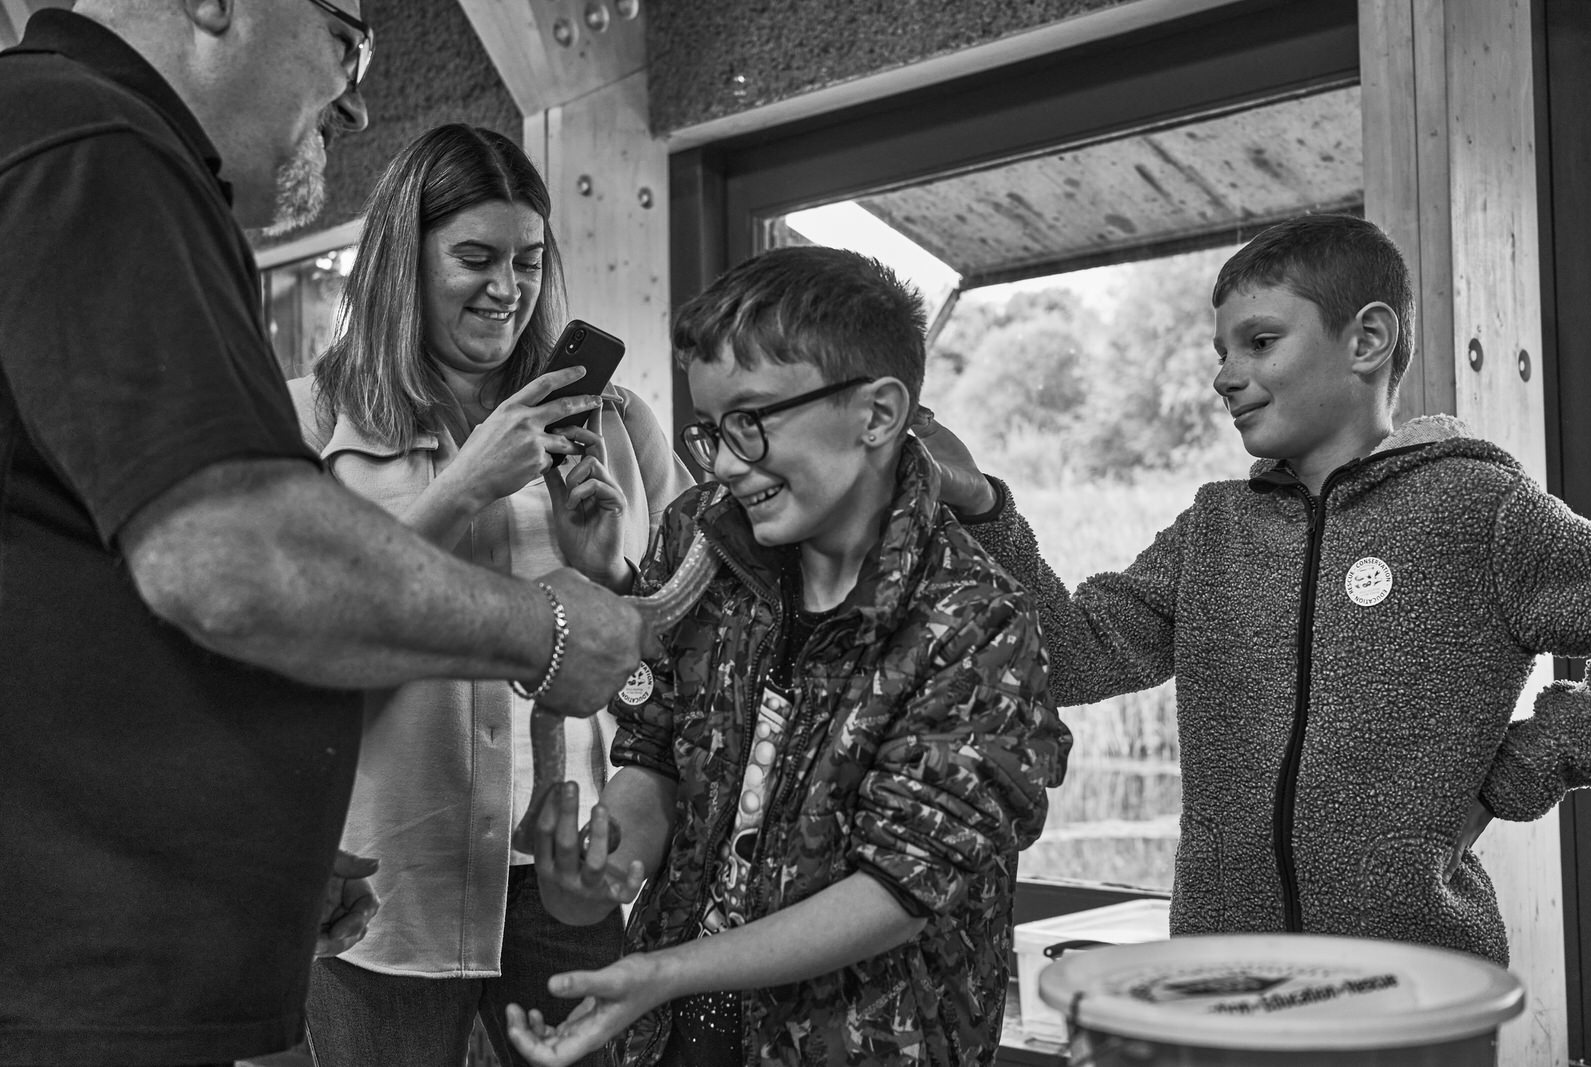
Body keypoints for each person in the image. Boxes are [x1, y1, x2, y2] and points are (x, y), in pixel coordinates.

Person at [0, 5, 647, 1066]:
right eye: (350, 40)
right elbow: (234, 560)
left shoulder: (70, 142)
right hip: (115, 967)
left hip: (191, 913)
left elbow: (97, 630)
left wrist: (248, 844)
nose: (354, 97)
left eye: (529, 260)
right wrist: (543, 626)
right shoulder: (97, 142)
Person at [934, 213, 1591, 965]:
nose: (1223, 375)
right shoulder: (1215, 528)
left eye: (1259, 341)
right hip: (1225, 982)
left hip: (1419, 986)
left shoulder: (1479, 508)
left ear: (1367, 341)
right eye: (1221, 352)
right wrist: (984, 511)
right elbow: (1073, 657)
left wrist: (1517, 775)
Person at [502, 246, 1072, 1067]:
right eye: (711, 431)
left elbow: (899, 890)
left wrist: (665, 971)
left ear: (877, 414)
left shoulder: (976, 620)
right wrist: (599, 869)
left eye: (752, 421)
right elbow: (657, 745)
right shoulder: (697, 536)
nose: (725, 463)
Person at [285, 122, 694, 1067]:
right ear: (403, 258)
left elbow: (675, 647)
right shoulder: (311, 417)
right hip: (384, 877)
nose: (506, 290)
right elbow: (299, 621)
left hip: (562, 870)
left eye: (527, 259)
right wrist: (465, 482)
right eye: (475, 257)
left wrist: (611, 576)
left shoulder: (613, 423)